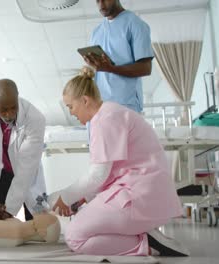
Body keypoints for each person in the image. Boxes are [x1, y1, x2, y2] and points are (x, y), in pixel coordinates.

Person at [49, 67, 189, 257]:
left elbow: (98, 175)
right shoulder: (109, 114)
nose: (71, 113)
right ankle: (145, 236)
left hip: (139, 196)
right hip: (141, 193)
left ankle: (148, 244)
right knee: (82, 223)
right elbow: (109, 172)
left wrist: (65, 196)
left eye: (70, 106)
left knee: (74, 236)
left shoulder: (105, 119)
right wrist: (82, 199)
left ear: (84, 100)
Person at [0, 79, 46, 222]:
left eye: (13, 107)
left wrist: (10, 209)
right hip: (0, 173)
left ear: (17, 97)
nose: (9, 114)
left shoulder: (35, 118)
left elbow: (26, 168)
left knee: (38, 222)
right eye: (3, 109)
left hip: (26, 173)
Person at [84, 0, 154, 113]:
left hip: (126, 105)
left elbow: (146, 68)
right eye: (97, 0)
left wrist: (111, 69)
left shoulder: (135, 24)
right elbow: (99, 70)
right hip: (101, 104)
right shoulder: (96, 32)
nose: (101, 4)